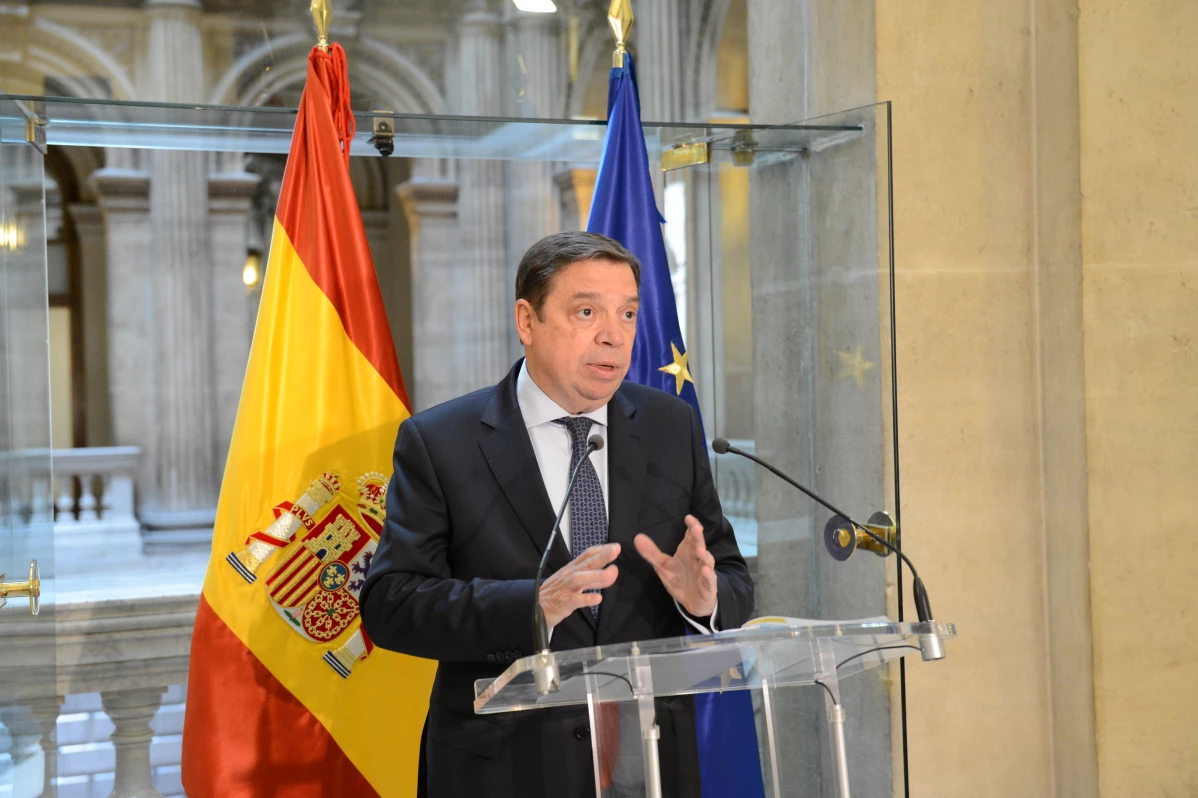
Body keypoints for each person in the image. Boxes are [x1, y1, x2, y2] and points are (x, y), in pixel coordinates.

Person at [360, 231, 754, 798]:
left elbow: (730, 575)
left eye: (627, 313)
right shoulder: (441, 441)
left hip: (646, 762)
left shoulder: (671, 425)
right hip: (502, 769)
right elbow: (391, 604)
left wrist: (704, 602)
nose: (613, 335)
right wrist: (532, 607)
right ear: (527, 321)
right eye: (586, 311)